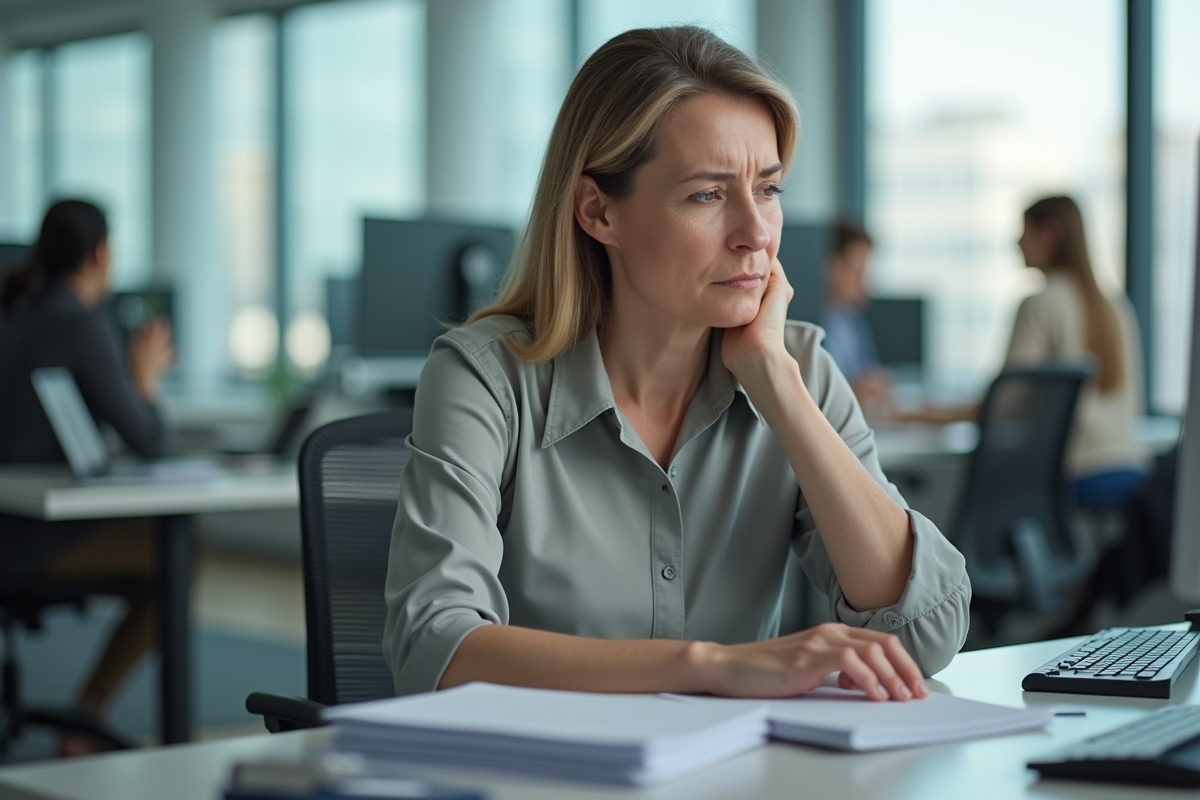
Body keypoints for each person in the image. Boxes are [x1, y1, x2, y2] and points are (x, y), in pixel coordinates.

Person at [384, 26, 970, 703]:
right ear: (599, 211)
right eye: (708, 195)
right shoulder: (485, 378)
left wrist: (775, 381)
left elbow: (926, 634)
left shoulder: (798, 366)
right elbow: (435, 645)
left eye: (769, 189)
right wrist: (709, 666)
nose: (756, 232)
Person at [0, 199, 175, 754]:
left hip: (10, 524)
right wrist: (144, 378)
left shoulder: (16, 316)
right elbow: (153, 443)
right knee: (182, 553)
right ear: (101, 253)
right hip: (35, 539)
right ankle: (88, 712)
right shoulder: (81, 325)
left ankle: (85, 713)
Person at [1009, 195, 1147, 500]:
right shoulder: (1117, 307)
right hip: (1130, 465)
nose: (1017, 242)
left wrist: (926, 415)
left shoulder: (1040, 304)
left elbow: (1008, 401)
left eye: (1024, 231)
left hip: (1072, 470)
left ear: (1049, 233)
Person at [821, 220, 891, 416]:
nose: (865, 284)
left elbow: (867, 373)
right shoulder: (809, 323)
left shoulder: (851, 321)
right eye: (858, 272)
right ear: (832, 267)